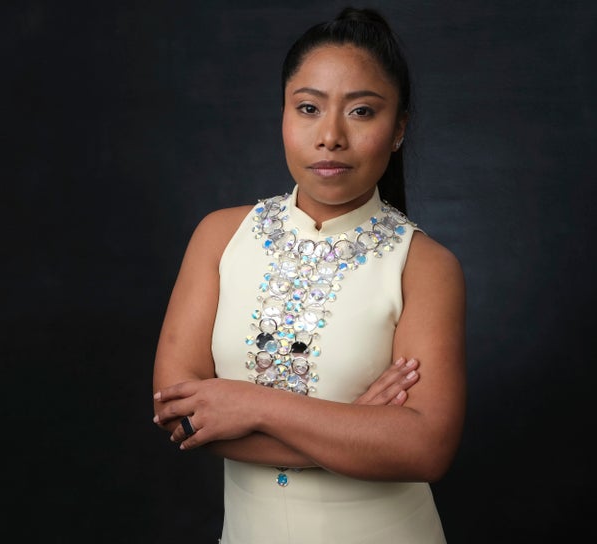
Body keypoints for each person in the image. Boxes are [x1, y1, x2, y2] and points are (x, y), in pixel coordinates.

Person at [152, 7, 466, 543]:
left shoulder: (425, 265)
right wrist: (355, 430)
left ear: (398, 130)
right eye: (307, 108)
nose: (330, 136)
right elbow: (181, 414)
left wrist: (248, 403)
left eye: (362, 112)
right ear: (283, 115)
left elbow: (425, 448)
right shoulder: (220, 236)